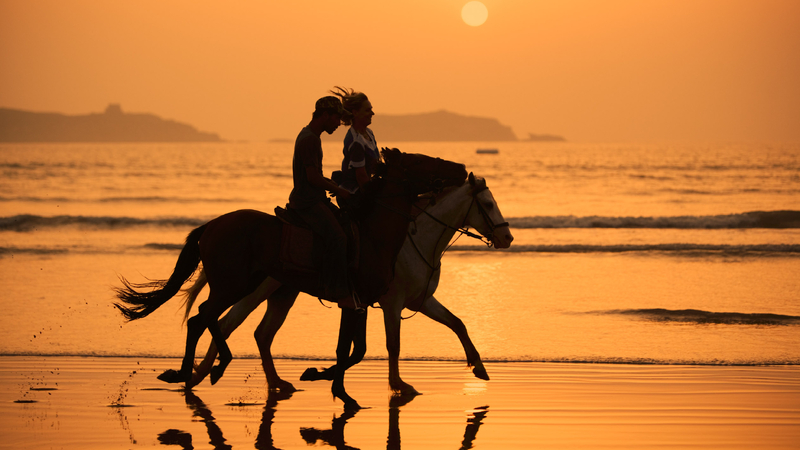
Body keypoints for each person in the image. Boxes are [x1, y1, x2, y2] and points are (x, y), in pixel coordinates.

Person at [288, 96, 357, 309]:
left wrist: (333, 183)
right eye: (337, 119)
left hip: (313, 198)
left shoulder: (309, 135)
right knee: (337, 238)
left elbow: (316, 175)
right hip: (307, 202)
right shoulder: (310, 139)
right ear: (325, 115)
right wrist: (340, 191)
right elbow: (313, 178)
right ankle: (337, 291)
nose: (338, 124)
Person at [330, 87, 380, 194]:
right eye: (368, 110)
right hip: (354, 192)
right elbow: (361, 177)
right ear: (355, 112)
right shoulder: (356, 141)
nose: (372, 113)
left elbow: (374, 167)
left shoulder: (369, 133)